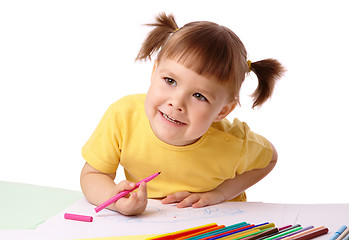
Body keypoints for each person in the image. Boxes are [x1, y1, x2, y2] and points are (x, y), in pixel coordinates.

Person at [80, 13, 285, 216]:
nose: (176, 103)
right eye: (170, 81)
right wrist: (115, 201)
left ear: (222, 111)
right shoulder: (123, 117)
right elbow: (93, 174)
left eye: (198, 95)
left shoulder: (233, 143)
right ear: (154, 71)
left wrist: (220, 194)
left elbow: (270, 159)